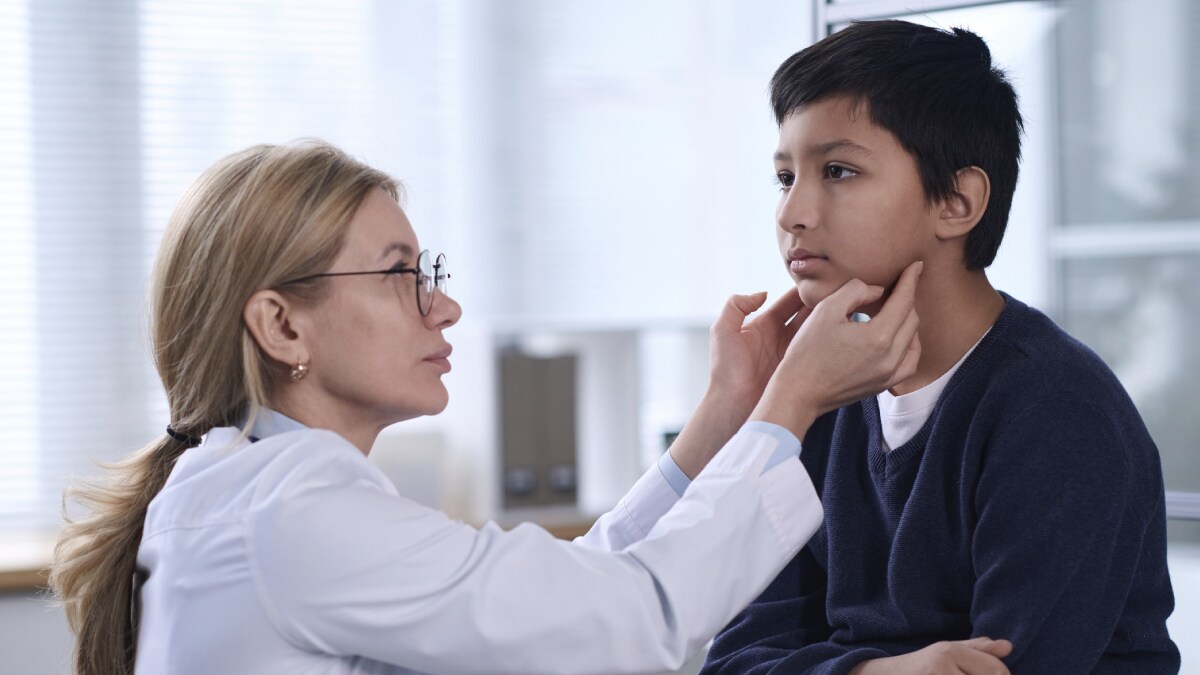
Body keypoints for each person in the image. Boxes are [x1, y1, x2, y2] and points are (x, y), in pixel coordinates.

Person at [48, 140, 934, 675]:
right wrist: (794, 404)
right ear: (281, 325)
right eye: (401, 273)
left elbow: (564, 598)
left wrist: (727, 410)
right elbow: (628, 625)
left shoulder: (251, 489)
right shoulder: (291, 510)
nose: (444, 306)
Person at [699, 20, 1180, 675]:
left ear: (957, 201)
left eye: (837, 170)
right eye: (785, 177)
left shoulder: (1058, 411)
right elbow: (731, 657)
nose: (792, 213)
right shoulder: (819, 391)